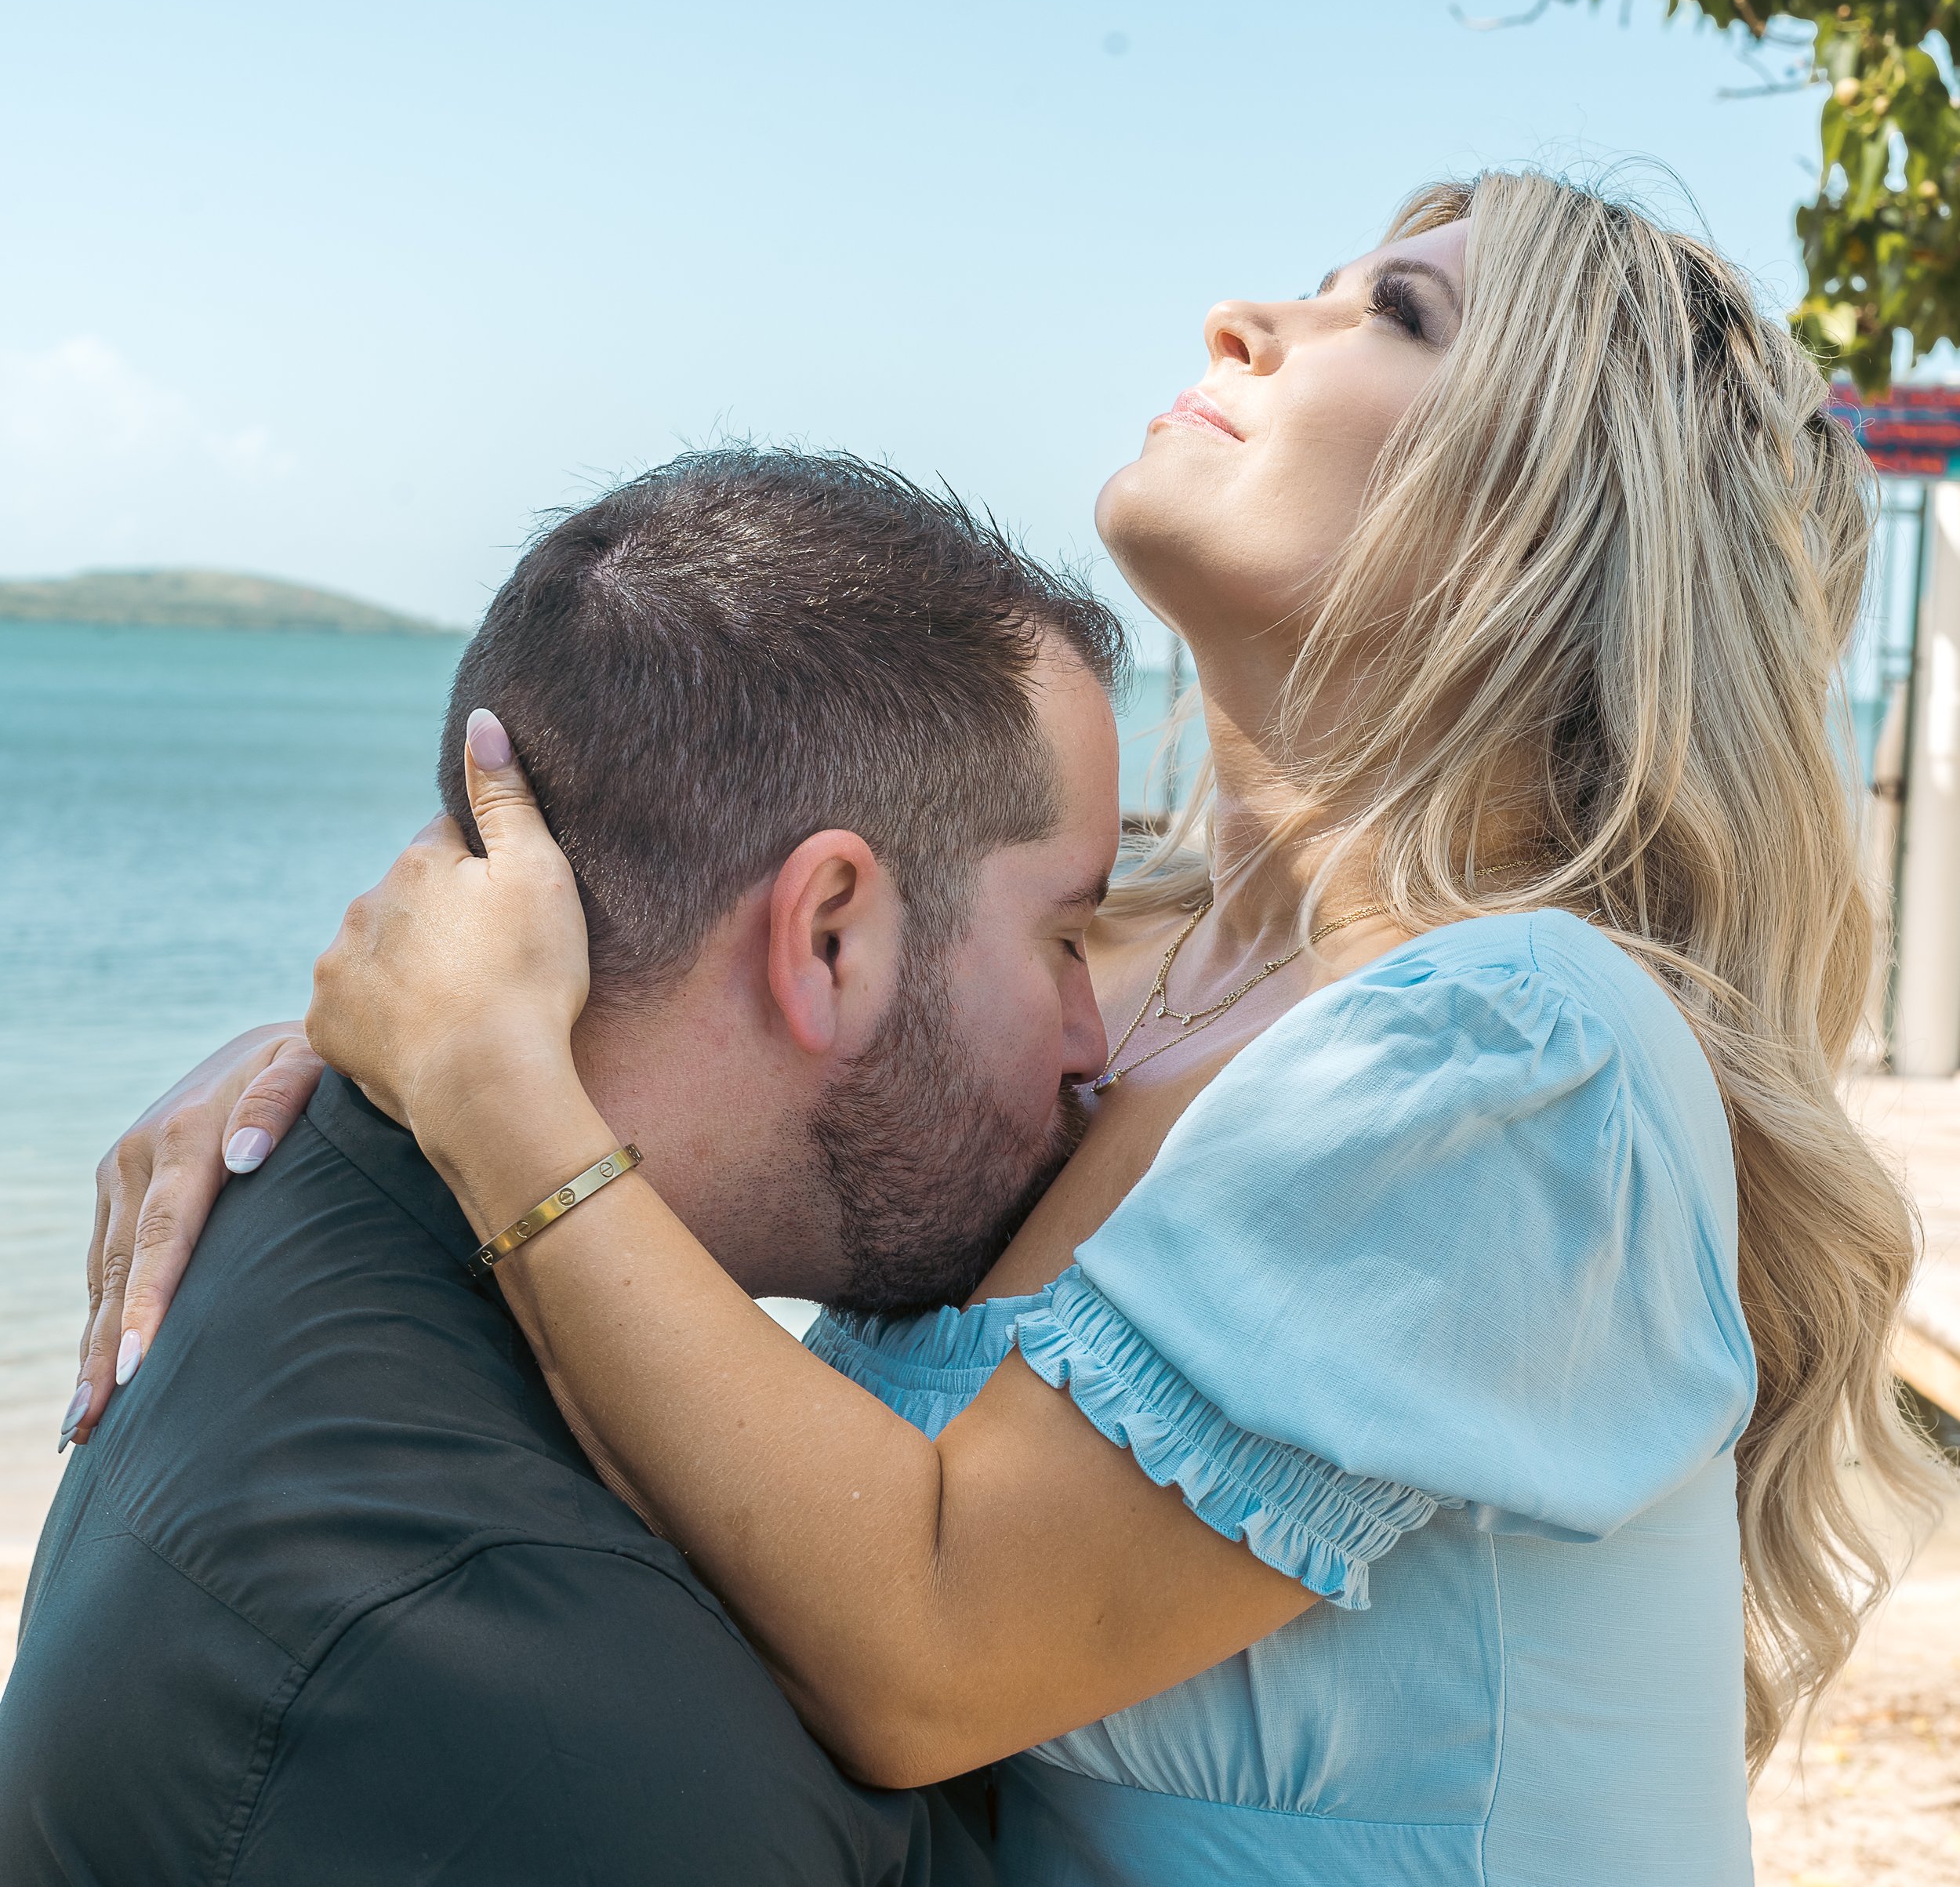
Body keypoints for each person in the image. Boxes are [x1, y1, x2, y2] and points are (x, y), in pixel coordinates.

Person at [71, 171, 1947, 1885]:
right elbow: (677, 984)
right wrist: (338, 1062)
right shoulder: (1108, 969)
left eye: (1395, 312)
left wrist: (485, 1093)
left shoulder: (1512, 1052)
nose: (1243, 321)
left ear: (1560, 523)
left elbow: (929, 1649)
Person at [0, 449, 1131, 1887]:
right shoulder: (546, 1716)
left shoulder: (321, 1193)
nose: (1099, 1038)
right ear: (829, 938)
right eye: (1066, 937)